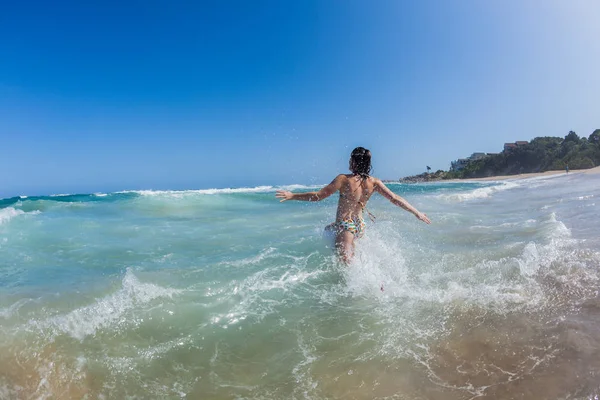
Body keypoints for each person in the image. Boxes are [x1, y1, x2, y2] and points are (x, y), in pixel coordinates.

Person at [276, 147, 431, 263]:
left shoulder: (343, 179)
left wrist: (292, 195)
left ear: (354, 162)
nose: (349, 162)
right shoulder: (374, 182)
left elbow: (319, 196)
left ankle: (369, 284)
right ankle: (373, 277)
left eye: (351, 159)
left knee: (346, 264)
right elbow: (395, 198)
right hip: (359, 225)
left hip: (346, 225)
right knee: (329, 231)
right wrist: (417, 212)